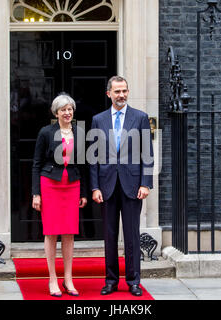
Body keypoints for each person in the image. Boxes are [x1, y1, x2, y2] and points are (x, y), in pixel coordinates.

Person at [89, 76, 154, 297]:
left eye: (124, 91)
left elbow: (147, 154)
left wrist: (146, 183)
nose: (121, 95)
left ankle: (134, 281)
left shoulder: (140, 118)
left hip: (132, 184)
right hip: (106, 186)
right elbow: (93, 157)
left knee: (132, 235)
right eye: (117, 92)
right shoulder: (98, 120)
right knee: (109, 235)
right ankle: (111, 280)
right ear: (108, 94)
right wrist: (95, 187)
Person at [32, 94, 88, 297]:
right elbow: (36, 164)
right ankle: (52, 279)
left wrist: (83, 192)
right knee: (51, 232)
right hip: (49, 185)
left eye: (70, 109)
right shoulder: (46, 132)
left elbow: (83, 165)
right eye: (63, 109)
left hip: (72, 185)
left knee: (69, 233)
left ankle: (68, 278)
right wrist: (35, 193)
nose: (67, 112)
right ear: (56, 113)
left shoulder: (80, 133)